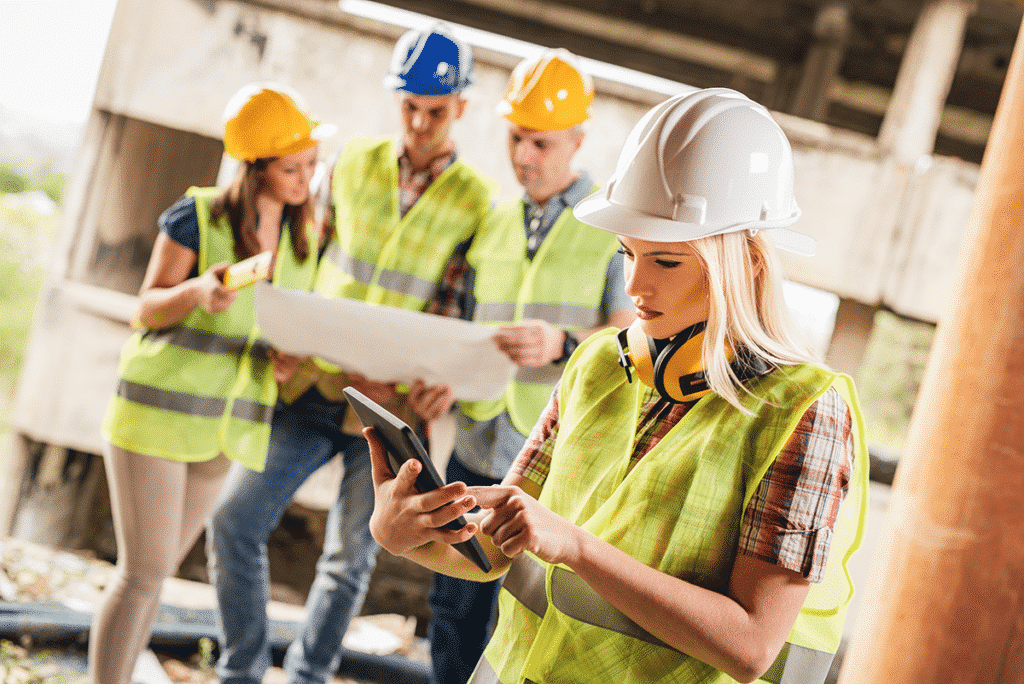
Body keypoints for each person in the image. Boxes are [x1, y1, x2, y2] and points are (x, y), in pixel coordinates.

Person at [366, 87, 870, 684]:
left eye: (667, 262)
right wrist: (400, 533)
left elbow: (752, 643)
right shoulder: (597, 365)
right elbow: (496, 548)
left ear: (747, 263)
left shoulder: (806, 412)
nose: (635, 286)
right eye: (628, 253)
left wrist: (575, 547)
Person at [206, 21, 493, 684]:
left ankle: (306, 678)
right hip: (315, 384)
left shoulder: (476, 201)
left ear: (462, 110)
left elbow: (463, 311)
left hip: (390, 414)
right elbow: (306, 260)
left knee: (350, 556)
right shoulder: (352, 162)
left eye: (437, 112)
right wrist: (285, 338)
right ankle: (241, 673)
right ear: (396, 100)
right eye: (410, 107)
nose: (420, 124)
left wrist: (441, 381)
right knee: (233, 520)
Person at [90, 82, 327, 684]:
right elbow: (146, 307)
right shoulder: (196, 215)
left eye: (310, 164)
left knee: (154, 578)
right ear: (256, 168)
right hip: (157, 416)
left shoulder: (306, 241)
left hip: (226, 431)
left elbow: (282, 334)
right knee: (141, 576)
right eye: (293, 167)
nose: (306, 177)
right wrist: (196, 292)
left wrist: (291, 364)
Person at [427, 48, 634, 684]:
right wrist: (444, 377)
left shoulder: (610, 223)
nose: (525, 155)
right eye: (517, 138)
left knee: (514, 611)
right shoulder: (490, 219)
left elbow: (635, 335)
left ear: (578, 138)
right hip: (475, 437)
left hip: (551, 452)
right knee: (452, 602)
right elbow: (464, 324)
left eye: (540, 143)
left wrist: (564, 343)